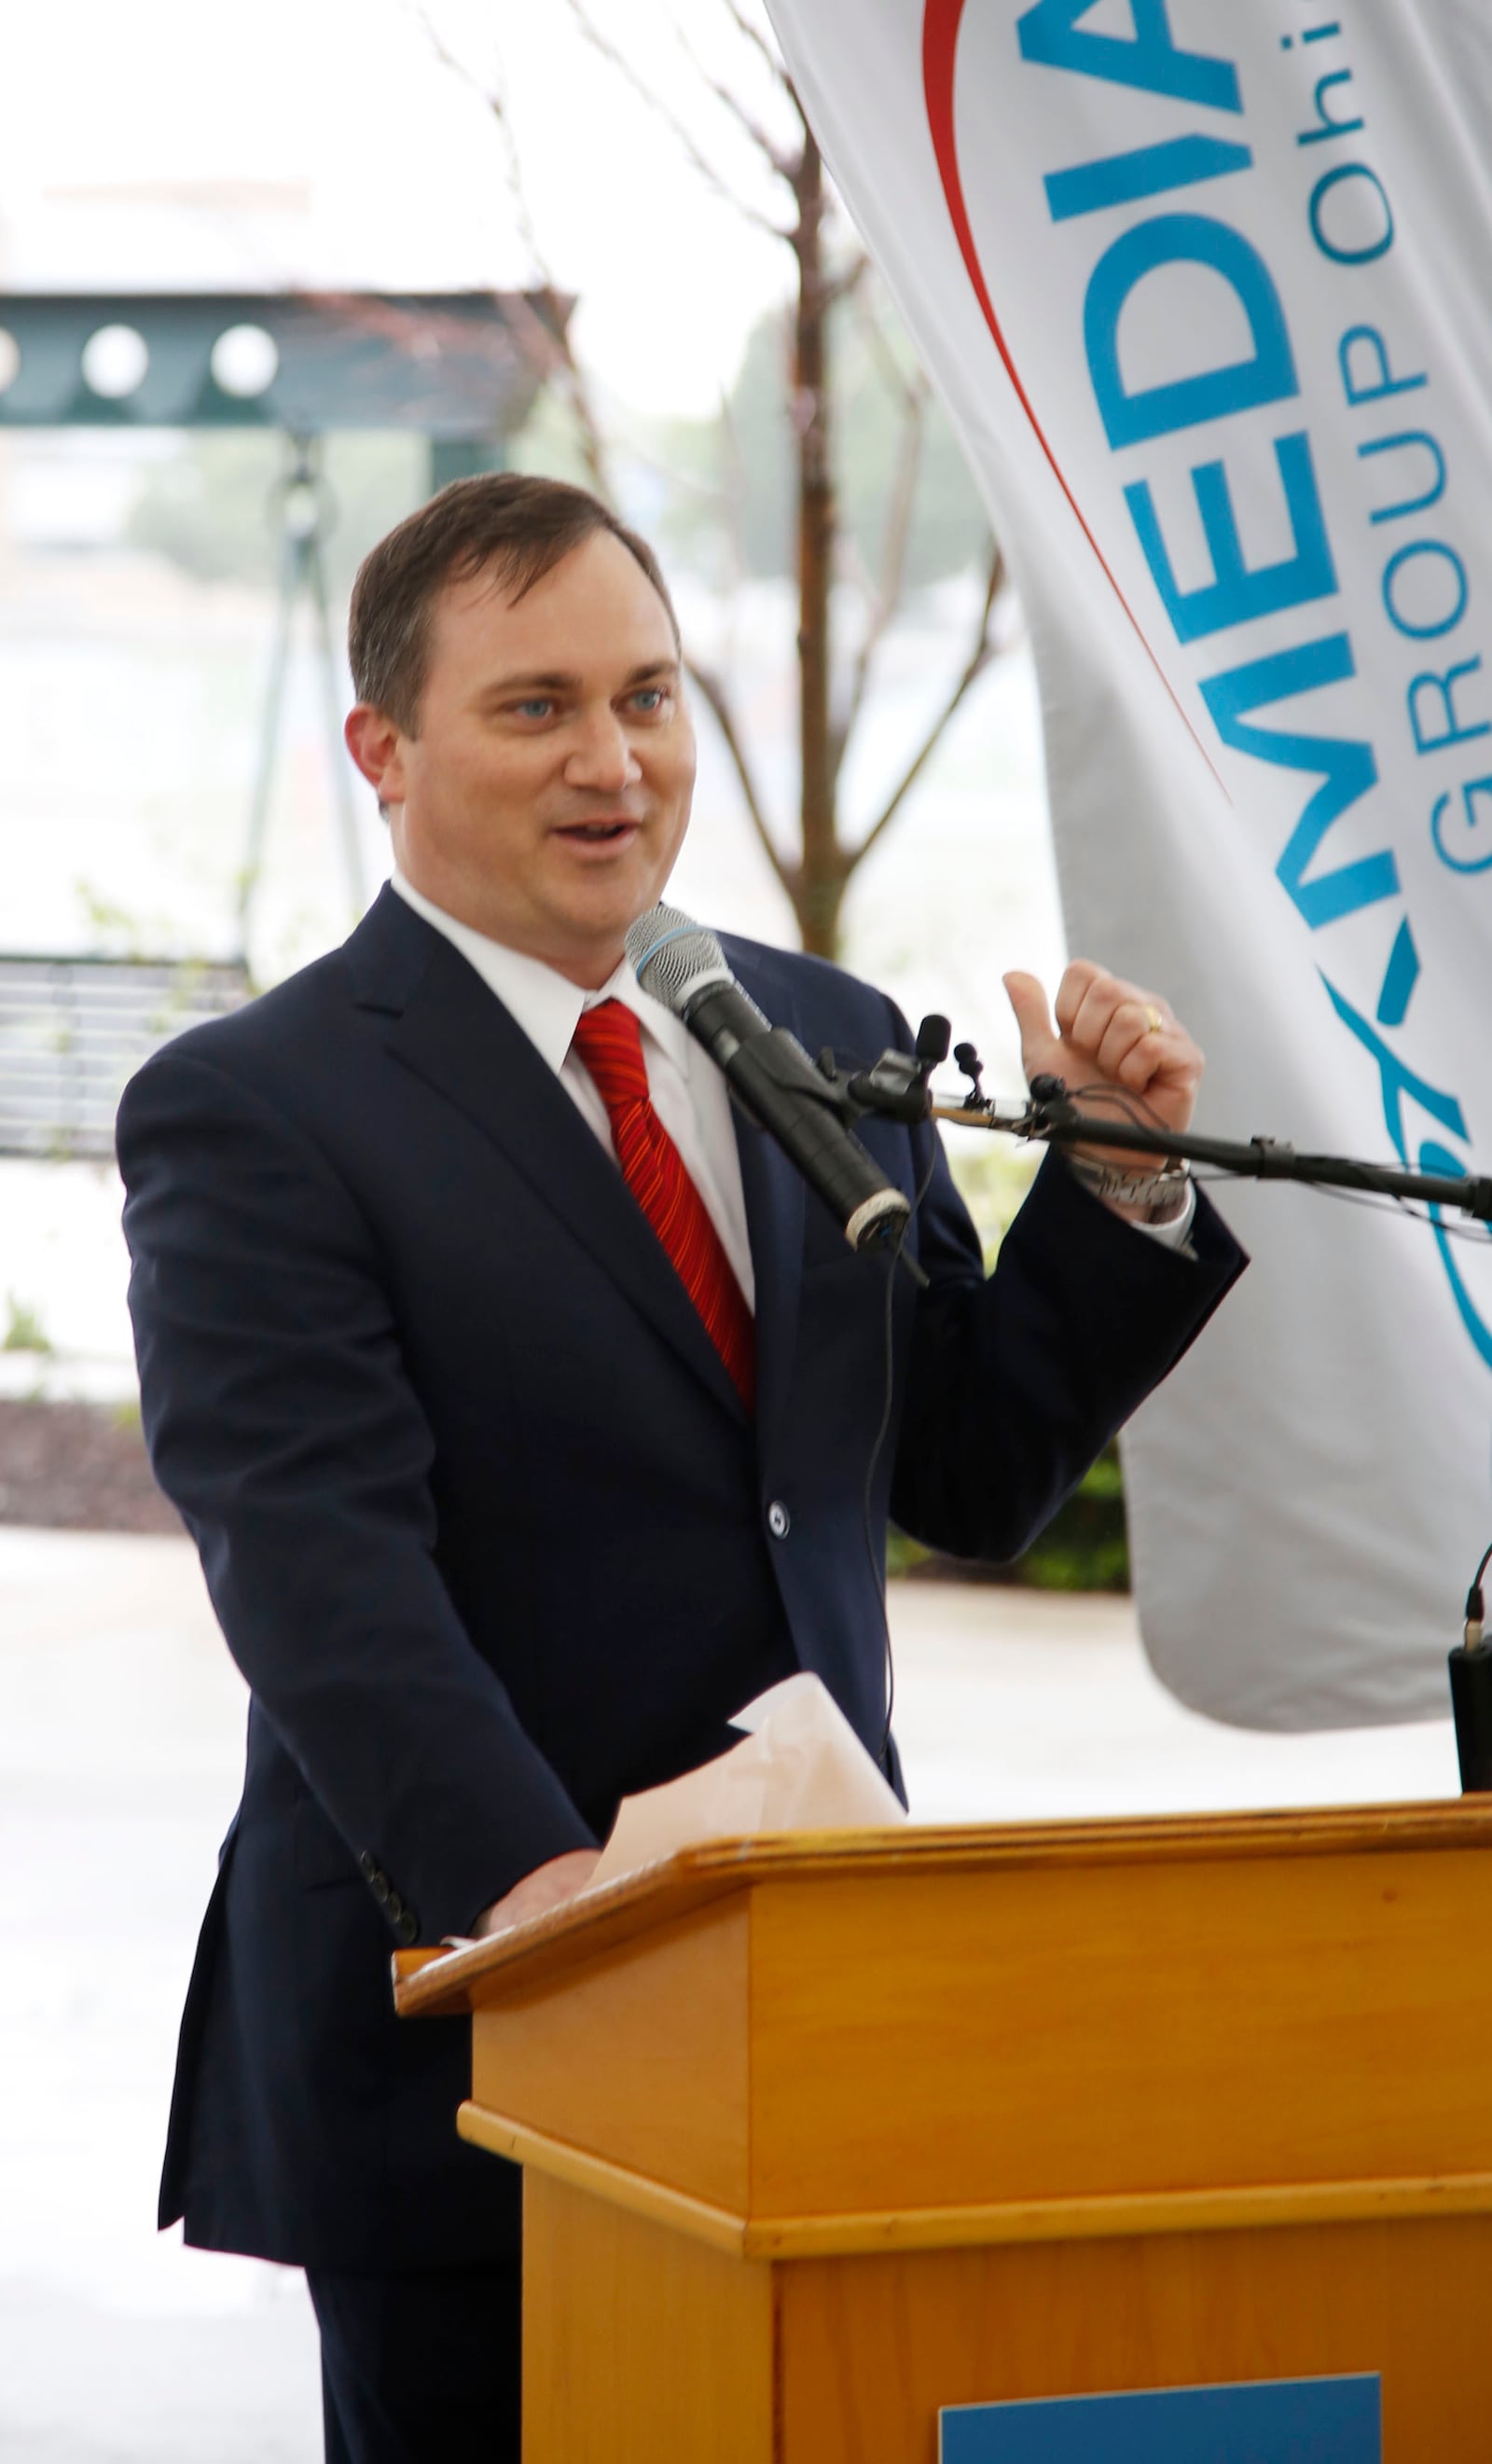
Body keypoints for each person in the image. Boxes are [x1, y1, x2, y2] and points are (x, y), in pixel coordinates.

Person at [117, 473, 1245, 2464]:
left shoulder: (804, 1029)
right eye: (534, 705)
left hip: (818, 2019)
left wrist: (1117, 1183)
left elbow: (965, 1473)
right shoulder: (254, 1110)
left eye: (648, 697)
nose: (613, 761)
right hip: (478, 2033)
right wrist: (582, 1944)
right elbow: (323, 1581)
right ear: (380, 750)